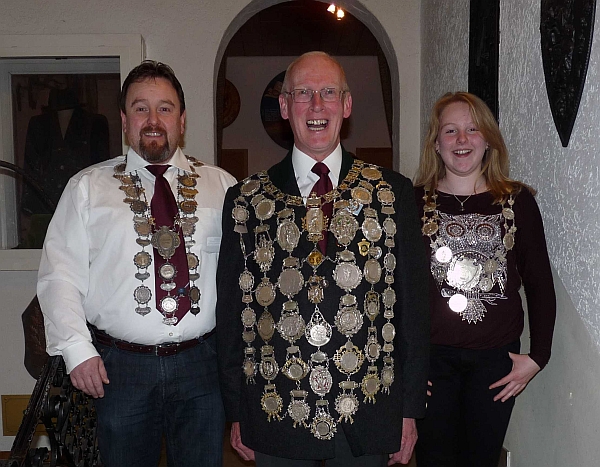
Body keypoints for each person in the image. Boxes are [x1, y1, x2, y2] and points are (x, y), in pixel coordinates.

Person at [216, 51, 430, 467]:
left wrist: (409, 409)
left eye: (328, 92)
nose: (316, 105)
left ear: (346, 105)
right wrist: (236, 409)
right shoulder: (245, 200)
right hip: (276, 407)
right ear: (284, 106)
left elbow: (414, 310)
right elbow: (231, 313)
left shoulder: (391, 193)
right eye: (303, 93)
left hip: (370, 407)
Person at [38, 60, 237, 467]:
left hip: (203, 366)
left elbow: (243, 279)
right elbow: (60, 275)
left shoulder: (224, 187)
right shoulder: (87, 188)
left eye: (164, 108)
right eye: (141, 108)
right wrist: (77, 349)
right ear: (125, 120)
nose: (153, 120)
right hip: (120, 369)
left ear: (182, 120)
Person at [413, 91, 556, 467]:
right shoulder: (412, 204)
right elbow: (394, 289)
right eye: (450, 130)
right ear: (436, 143)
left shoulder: (517, 202)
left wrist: (538, 356)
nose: (462, 139)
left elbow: (539, 283)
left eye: (473, 129)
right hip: (431, 363)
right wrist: (404, 365)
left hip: (495, 362)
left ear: (488, 139)